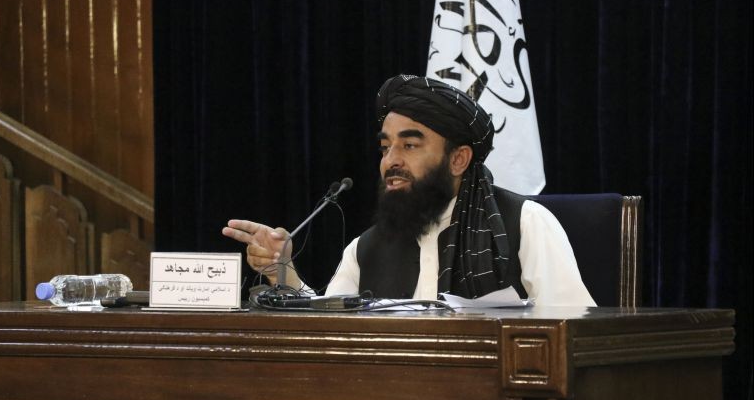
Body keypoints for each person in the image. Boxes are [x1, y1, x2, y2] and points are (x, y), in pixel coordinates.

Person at [223, 74, 595, 306]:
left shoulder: (525, 225)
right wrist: (282, 272)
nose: (390, 161)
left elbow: (573, 334)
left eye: (410, 145)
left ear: (458, 159)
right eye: (385, 147)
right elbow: (329, 329)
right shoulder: (366, 248)